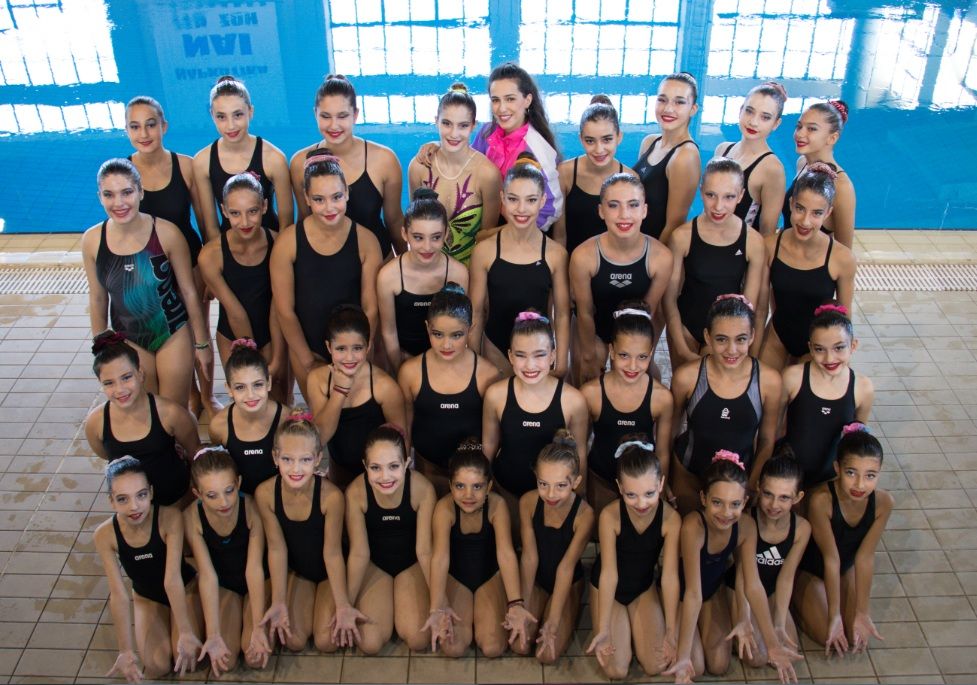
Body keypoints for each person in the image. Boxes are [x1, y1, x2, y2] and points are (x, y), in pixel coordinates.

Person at [81, 158, 213, 409]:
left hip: (172, 333)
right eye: (109, 195)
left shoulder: (167, 233)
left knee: (173, 409)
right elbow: (97, 297)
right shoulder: (92, 241)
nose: (119, 203)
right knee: (148, 409)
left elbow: (188, 292)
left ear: (141, 192)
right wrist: (101, 348)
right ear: (100, 197)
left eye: (127, 192)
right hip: (128, 337)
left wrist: (202, 343)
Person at [125, 95, 220, 420]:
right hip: (149, 271)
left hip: (188, 261)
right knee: (170, 333)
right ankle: (191, 394)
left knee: (197, 330)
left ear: (164, 126)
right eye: (135, 126)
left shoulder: (185, 166)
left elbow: (205, 222)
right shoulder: (125, 172)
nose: (144, 133)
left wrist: (210, 269)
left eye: (150, 124)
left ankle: (207, 395)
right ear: (127, 131)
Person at [667, 452, 800, 683]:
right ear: (704, 498)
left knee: (719, 665)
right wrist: (683, 656)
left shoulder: (746, 526)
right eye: (717, 502)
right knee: (695, 666)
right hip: (683, 595)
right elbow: (692, 593)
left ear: (745, 502)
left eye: (735, 504)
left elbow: (753, 585)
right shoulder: (693, 527)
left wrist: (772, 644)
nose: (726, 513)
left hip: (711, 593)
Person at [270, 149, 383, 400]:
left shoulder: (366, 241)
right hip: (308, 347)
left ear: (347, 193)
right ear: (306, 198)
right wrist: (308, 361)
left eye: (337, 197)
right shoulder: (288, 243)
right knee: (322, 417)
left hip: (354, 349)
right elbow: (284, 311)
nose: (329, 207)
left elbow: (371, 308)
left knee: (357, 412)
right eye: (319, 199)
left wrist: (359, 352)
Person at [253, 411, 365, 652]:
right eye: (287, 459)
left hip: (327, 572)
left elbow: (332, 553)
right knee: (293, 641)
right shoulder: (265, 494)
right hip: (299, 572)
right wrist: (279, 600)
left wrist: (343, 604)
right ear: (275, 457)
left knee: (327, 642)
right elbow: (276, 549)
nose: (296, 469)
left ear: (317, 459)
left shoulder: (331, 497)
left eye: (305, 460)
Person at [670, 295, 782, 514]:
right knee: (691, 532)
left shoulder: (769, 382)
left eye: (740, 339)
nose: (731, 350)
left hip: (739, 484)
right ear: (707, 337)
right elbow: (669, 433)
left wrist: (751, 485)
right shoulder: (687, 377)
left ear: (752, 336)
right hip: (689, 477)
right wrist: (666, 478)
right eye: (721, 339)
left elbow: (767, 441)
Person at [94, 457, 201, 683]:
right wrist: (125, 650)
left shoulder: (169, 518)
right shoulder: (105, 535)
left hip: (184, 587)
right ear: (111, 501)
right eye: (123, 499)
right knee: (157, 666)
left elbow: (172, 579)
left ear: (151, 493)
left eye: (141, 495)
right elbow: (118, 594)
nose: (134, 506)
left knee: (187, 658)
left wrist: (185, 631)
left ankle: (180, 624)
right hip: (146, 596)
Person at [423, 443, 532, 657]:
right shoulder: (444, 509)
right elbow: (440, 557)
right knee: (453, 648)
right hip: (457, 577)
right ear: (450, 486)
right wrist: (437, 606)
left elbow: (506, 554)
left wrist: (515, 603)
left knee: (493, 648)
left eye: (477, 486)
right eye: (460, 486)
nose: (468, 495)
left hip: (489, 575)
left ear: (489, 487)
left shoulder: (497, 506)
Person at [793, 425, 892, 656]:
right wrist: (834, 615)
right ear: (837, 468)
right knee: (826, 633)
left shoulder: (884, 504)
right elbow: (831, 558)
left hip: (845, 567)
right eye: (851, 473)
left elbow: (865, 557)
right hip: (812, 568)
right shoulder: (821, 500)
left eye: (870, 475)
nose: (860, 485)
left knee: (852, 635)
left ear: (879, 472)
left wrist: (863, 612)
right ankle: (796, 600)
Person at [586, 440, 681, 679]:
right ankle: (620, 628)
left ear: (661, 484)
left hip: (642, 587)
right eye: (631, 495)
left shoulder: (671, 519)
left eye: (649, 493)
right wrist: (604, 627)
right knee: (616, 670)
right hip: (609, 587)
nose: (641, 503)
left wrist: (671, 630)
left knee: (656, 665)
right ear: (619, 487)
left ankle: (633, 630)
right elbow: (609, 573)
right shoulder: (610, 516)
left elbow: (669, 577)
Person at [469, 155, 571, 376]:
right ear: (502, 199)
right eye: (513, 199)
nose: (521, 209)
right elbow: (476, 312)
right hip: (495, 348)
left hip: (539, 351)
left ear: (542, 201)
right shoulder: (484, 252)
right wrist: (473, 361)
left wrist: (562, 364)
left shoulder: (555, 255)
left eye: (531, 200)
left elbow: (562, 314)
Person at [664, 158, 766, 369]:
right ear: (701, 191)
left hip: (727, 333)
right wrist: (681, 346)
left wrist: (736, 344)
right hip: (686, 327)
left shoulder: (753, 241)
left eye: (729, 197)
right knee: (682, 386)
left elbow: (749, 306)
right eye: (711, 195)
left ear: (741, 195)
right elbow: (669, 298)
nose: (718, 206)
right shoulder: (682, 237)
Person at [570, 173, 672, 384]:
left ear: (644, 210)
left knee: (646, 376)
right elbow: (585, 312)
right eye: (614, 205)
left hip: (637, 324)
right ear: (601, 211)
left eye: (633, 205)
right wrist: (588, 354)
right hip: (595, 325)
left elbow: (647, 312)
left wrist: (634, 355)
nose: (624, 215)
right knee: (584, 370)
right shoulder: (583, 256)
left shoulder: (661, 257)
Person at [482, 311, 589, 510]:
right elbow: (488, 446)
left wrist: (579, 495)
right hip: (506, 490)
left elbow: (580, 453)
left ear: (553, 355)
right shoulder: (495, 395)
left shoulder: (573, 401)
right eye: (521, 355)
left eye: (539, 355)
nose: (530, 365)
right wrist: (485, 486)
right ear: (510, 356)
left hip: (555, 497)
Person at [399, 284, 500, 495]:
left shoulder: (487, 375)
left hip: (472, 476)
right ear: (427, 328)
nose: (446, 345)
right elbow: (405, 429)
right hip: (428, 470)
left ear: (470, 329)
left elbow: (492, 437)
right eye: (438, 334)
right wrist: (404, 472)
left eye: (456, 335)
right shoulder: (410, 372)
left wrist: (483, 474)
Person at [344, 425, 438, 653]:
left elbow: (425, 551)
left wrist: (439, 604)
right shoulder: (355, 493)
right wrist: (346, 604)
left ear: (407, 464)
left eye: (394, 466)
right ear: (365, 466)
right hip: (375, 565)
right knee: (369, 644)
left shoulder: (422, 489)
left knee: (418, 640)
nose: (385, 477)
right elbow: (359, 553)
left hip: (412, 564)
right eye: (375, 467)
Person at [290, 74, 404, 256]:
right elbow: (304, 221)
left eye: (342, 116)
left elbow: (395, 221)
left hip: (379, 261)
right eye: (325, 116)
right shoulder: (300, 163)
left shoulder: (384, 160)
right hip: (327, 263)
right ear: (315, 114)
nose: (334, 125)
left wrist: (404, 266)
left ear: (355, 114)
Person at [84, 330, 200, 507]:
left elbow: (195, 454)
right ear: (101, 384)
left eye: (126, 377)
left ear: (140, 374)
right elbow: (105, 454)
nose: (120, 389)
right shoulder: (96, 423)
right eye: (109, 383)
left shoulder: (170, 413)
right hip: (132, 509)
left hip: (176, 500)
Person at [198, 173, 287, 402]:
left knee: (277, 399)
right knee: (245, 399)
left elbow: (278, 305)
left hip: (273, 331)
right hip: (231, 333)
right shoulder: (211, 255)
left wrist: (277, 357)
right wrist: (251, 357)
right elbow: (234, 311)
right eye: (235, 213)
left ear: (264, 206)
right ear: (224, 211)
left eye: (252, 211)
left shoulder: (279, 245)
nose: (245, 222)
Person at [760, 163, 856, 372]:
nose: (805, 221)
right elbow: (761, 307)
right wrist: (750, 353)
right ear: (791, 204)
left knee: (801, 390)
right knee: (762, 387)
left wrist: (842, 367)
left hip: (818, 344)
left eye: (816, 213)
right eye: (800, 208)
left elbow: (845, 318)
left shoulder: (841, 258)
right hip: (778, 334)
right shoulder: (770, 246)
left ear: (828, 213)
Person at [184, 448, 272, 675]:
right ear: (197, 494)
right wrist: (213, 634)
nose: (223, 502)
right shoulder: (192, 517)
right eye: (211, 496)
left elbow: (254, 568)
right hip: (224, 585)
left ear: (238, 483)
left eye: (229, 491)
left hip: (257, 581)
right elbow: (207, 575)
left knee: (254, 657)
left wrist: (258, 626)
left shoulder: (251, 508)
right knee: (227, 660)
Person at [581, 301, 673, 515]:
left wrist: (659, 487)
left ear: (651, 354)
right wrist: (581, 488)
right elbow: (581, 447)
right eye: (624, 355)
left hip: (644, 487)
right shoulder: (591, 394)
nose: (633, 366)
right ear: (611, 351)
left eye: (642, 357)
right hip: (601, 480)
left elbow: (662, 452)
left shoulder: (661, 398)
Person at [514, 430, 595, 663]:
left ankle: (569, 603)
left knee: (546, 655)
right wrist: (522, 604)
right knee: (519, 645)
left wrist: (553, 620)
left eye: (560, 485)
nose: (550, 494)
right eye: (543, 484)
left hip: (567, 580)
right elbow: (529, 558)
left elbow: (566, 567)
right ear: (536, 477)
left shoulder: (584, 515)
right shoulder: (528, 502)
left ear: (576, 482)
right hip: (538, 579)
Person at [727, 450, 811, 670]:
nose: (774, 505)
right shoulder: (746, 521)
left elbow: (785, 578)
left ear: (798, 497)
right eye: (768, 494)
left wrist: (780, 623)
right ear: (758, 488)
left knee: (788, 651)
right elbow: (742, 575)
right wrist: (744, 616)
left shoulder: (801, 529)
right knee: (756, 658)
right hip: (740, 588)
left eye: (784, 498)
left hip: (770, 589)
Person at [307, 305, 407, 488]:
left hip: (380, 478)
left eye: (357, 348)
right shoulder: (317, 380)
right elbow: (320, 438)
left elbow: (402, 445)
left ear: (368, 347)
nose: (349, 357)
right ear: (329, 347)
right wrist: (340, 390)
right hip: (340, 474)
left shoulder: (385, 387)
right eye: (341, 348)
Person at [780, 304, 874, 488]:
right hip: (790, 476)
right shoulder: (792, 377)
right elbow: (773, 430)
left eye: (839, 348)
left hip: (832, 479)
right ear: (810, 347)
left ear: (853, 345)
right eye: (820, 349)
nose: (829, 359)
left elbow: (857, 444)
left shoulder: (863, 388)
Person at [377, 188, 468, 374]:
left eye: (436, 237)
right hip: (404, 358)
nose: (427, 247)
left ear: (446, 234)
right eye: (418, 237)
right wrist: (401, 371)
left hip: (446, 357)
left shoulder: (458, 273)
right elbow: (389, 332)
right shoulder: (389, 276)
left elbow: (461, 327)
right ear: (405, 234)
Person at [407, 82, 501, 263]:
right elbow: (414, 227)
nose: (454, 134)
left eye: (463, 125)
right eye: (447, 123)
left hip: (471, 268)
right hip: (427, 265)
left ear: (473, 125)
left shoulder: (487, 175)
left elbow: (486, 238)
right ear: (436, 121)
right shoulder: (419, 167)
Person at [192, 76, 292, 236]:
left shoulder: (274, 158)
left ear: (250, 112)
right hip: (228, 246)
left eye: (237, 115)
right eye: (221, 117)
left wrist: (277, 251)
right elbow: (211, 228)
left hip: (272, 243)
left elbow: (286, 225)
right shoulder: (202, 162)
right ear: (212, 115)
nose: (231, 125)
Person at [553, 95, 637, 254]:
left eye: (607, 140)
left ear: (619, 137)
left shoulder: (630, 178)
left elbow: (631, 237)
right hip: (573, 261)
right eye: (590, 141)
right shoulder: (565, 173)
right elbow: (559, 236)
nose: (599, 150)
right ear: (581, 139)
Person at [208, 339, 287, 495]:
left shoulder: (285, 419)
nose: (250, 395)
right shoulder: (219, 426)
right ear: (229, 389)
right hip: (239, 500)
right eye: (240, 387)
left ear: (269, 383)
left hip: (278, 498)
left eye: (257, 385)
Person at [633, 72, 701, 244]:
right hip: (633, 242)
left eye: (679, 102)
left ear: (693, 109)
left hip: (654, 249)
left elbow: (674, 225)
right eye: (662, 100)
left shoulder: (685, 156)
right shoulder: (649, 142)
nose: (668, 109)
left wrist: (653, 256)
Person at [712, 82, 788, 235]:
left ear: (776, 123)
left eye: (765, 117)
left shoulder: (772, 168)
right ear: (741, 110)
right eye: (749, 111)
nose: (753, 122)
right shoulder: (722, 150)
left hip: (742, 248)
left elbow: (767, 233)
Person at [783, 100, 856, 248]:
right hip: (784, 253)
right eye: (799, 126)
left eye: (812, 129)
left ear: (832, 138)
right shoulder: (802, 163)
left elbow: (845, 250)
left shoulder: (841, 186)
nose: (800, 134)